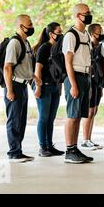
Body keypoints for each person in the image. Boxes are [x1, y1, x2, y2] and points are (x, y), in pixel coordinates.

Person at [3, 14, 41, 162]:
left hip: (24, 85)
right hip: (15, 85)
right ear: (21, 26)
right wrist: (10, 90)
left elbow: (25, 64)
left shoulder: (26, 42)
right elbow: (7, 67)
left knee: (21, 120)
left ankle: (18, 150)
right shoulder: (15, 43)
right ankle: (13, 152)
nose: (32, 26)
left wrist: (33, 77)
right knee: (14, 120)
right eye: (29, 24)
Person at [62, 3, 94, 164]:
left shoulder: (86, 34)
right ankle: (69, 151)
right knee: (72, 115)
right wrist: (73, 85)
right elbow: (68, 62)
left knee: (80, 115)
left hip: (85, 77)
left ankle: (75, 148)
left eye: (89, 12)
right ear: (77, 16)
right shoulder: (70, 35)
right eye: (86, 13)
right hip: (74, 76)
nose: (89, 15)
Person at [32, 22, 65, 157]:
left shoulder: (59, 48)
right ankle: (43, 147)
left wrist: (60, 86)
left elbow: (60, 70)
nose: (61, 34)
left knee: (51, 118)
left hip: (55, 87)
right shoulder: (44, 48)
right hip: (44, 86)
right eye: (59, 32)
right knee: (44, 117)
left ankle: (49, 146)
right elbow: (37, 69)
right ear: (51, 34)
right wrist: (38, 87)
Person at [80, 23, 104, 151]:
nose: (101, 34)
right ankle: (85, 140)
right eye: (98, 32)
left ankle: (89, 139)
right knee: (89, 112)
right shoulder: (88, 47)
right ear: (92, 33)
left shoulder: (99, 47)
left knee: (94, 111)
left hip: (97, 83)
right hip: (90, 82)